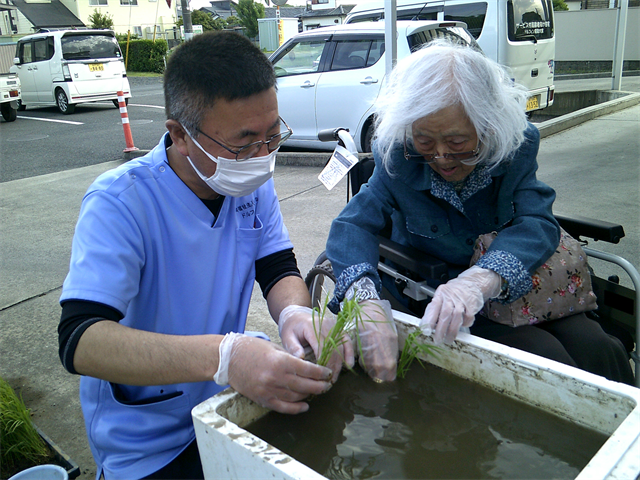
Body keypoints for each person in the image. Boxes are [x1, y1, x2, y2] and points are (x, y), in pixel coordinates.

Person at [57, 32, 354, 480]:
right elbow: (80, 339)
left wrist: (296, 313)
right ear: (179, 134)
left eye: (273, 134)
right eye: (244, 142)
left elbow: (276, 267)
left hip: (226, 407)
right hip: (149, 443)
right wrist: (226, 357)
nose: (262, 155)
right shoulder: (121, 203)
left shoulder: (249, 182)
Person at [326, 39, 634, 385]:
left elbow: (537, 221)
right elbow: (353, 226)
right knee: (550, 362)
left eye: (457, 143)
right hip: (437, 299)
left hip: (516, 285)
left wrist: (482, 279)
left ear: (489, 125)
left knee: (602, 348)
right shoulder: (398, 156)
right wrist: (365, 300)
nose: (440, 156)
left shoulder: (514, 147)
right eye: (425, 141)